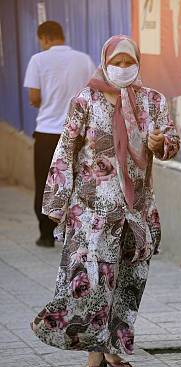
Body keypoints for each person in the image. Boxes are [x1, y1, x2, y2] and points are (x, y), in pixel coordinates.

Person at [30, 35, 180, 367]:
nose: (123, 68)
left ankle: (115, 347)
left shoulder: (153, 102)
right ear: (105, 61)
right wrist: (56, 201)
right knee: (94, 280)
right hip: (92, 211)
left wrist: (162, 143)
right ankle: (93, 353)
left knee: (129, 281)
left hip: (137, 210)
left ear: (138, 64)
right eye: (118, 62)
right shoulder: (85, 100)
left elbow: (170, 142)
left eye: (130, 62)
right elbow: (65, 149)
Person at [23, 21, 96, 248]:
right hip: (78, 133)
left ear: (44, 38)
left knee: (46, 183)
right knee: (78, 182)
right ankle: (76, 233)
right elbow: (94, 93)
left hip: (47, 133)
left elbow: (34, 97)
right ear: (61, 36)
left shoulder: (38, 60)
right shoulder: (83, 59)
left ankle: (46, 234)